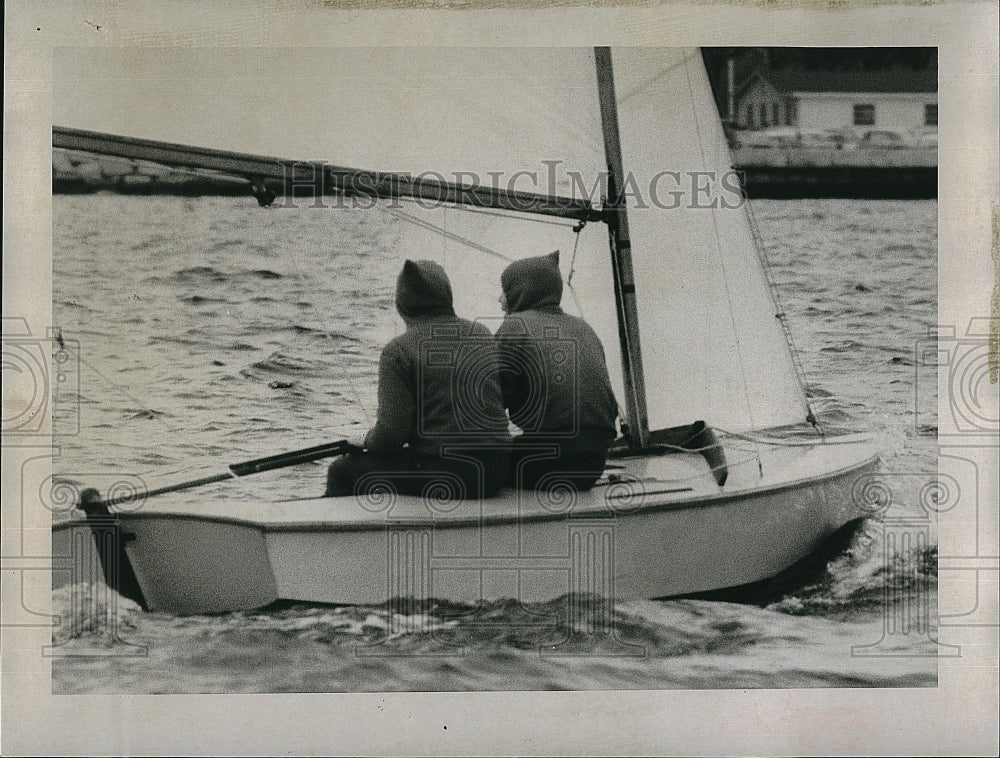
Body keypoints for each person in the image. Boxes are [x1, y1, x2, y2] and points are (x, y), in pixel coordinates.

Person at [325, 259, 509, 500]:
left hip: (452, 476)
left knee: (342, 470)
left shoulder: (398, 350)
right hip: (496, 471)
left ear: (402, 303)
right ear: (446, 296)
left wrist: (365, 439)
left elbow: (392, 436)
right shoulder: (482, 334)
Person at [495, 251, 618, 492]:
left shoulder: (514, 326)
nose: (500, 300)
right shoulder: (583, 327)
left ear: (522, 290)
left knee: (472, 465)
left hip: (545, 463)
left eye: (505, 290)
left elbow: (490, 401)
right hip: (594, 463)